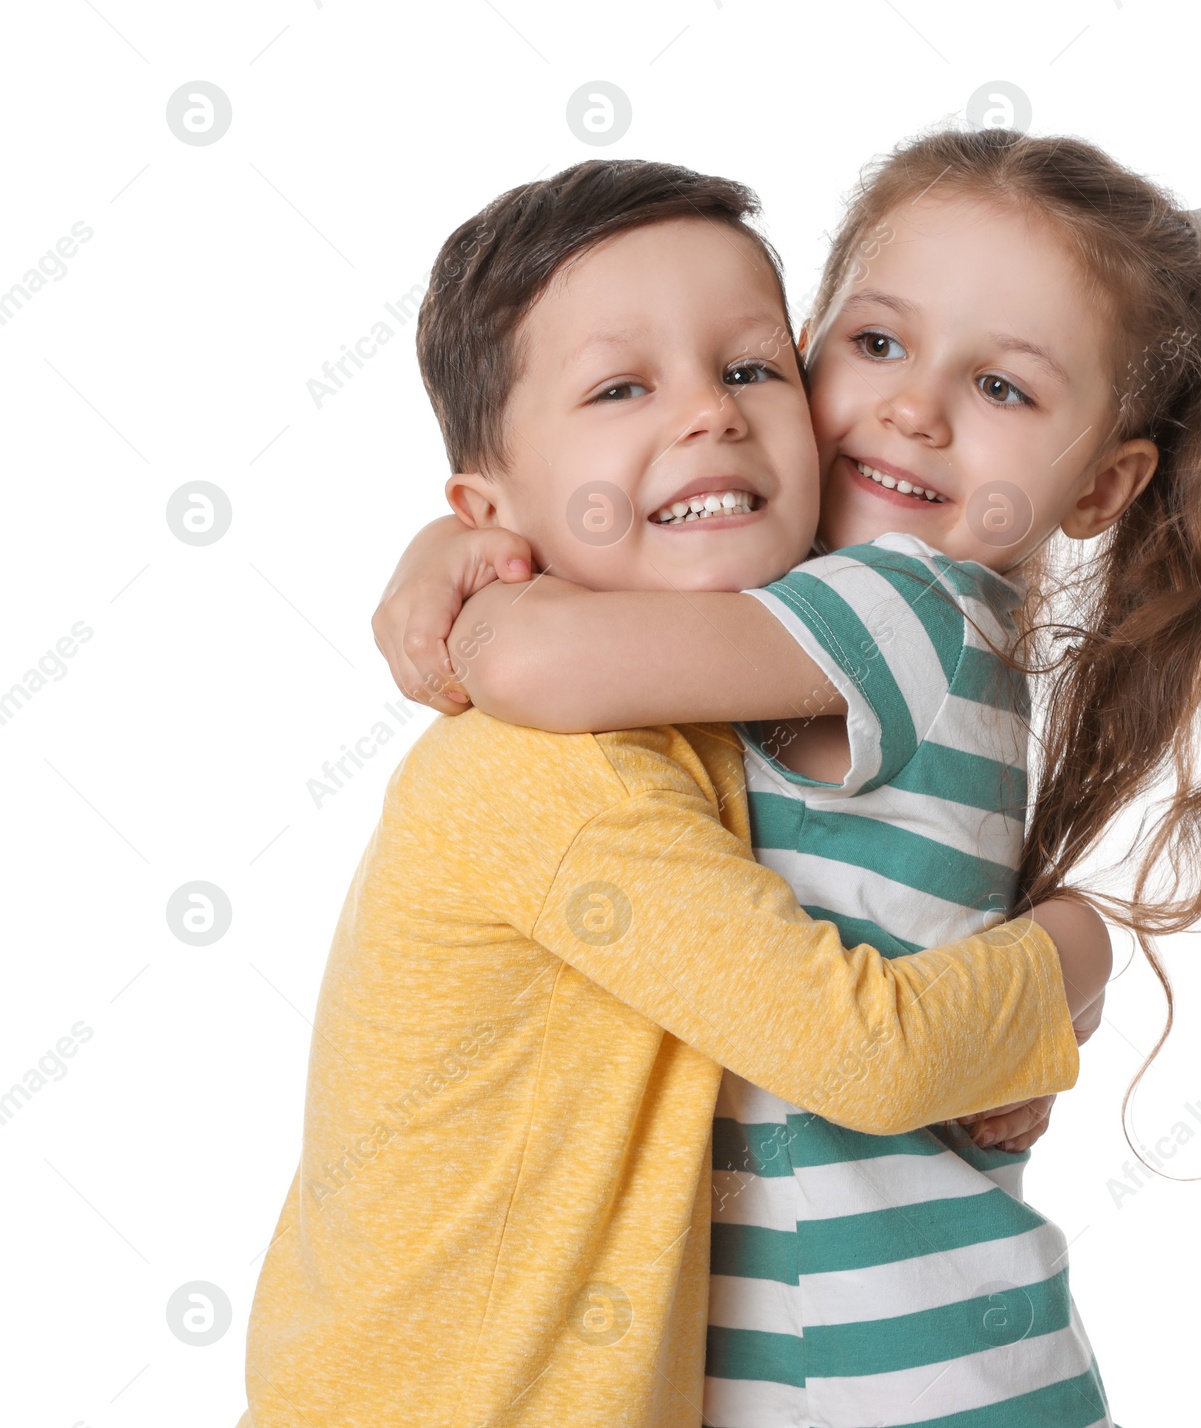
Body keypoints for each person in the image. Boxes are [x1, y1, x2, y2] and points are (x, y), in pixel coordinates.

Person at [375, 127, 1201, 1426]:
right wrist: (478, 526)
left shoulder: (908, 606)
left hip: (901, 1373)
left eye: (1005, 389)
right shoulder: (798, 616)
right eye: (876, 345)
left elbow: (541, 662)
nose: (915, 409)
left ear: (1102, 485)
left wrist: (464, 572)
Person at [237, 157, 1110, 1428]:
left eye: (753, 369)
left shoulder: (718, 685)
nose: (708, 414)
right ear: (496, 511)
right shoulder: (560, 771)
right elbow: (863, 1052)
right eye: (620, 385)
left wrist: (456, 564)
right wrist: (1079, 949)